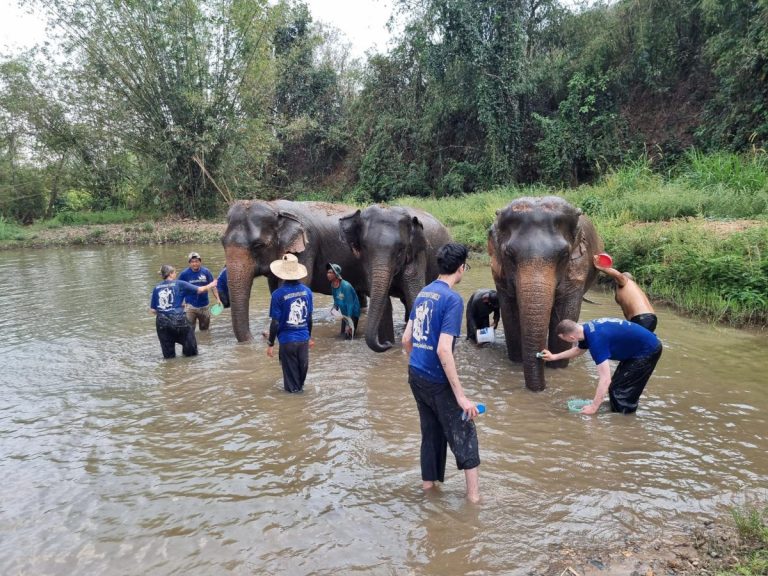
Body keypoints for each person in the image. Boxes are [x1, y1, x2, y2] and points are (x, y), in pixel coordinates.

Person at [401, 243, 481, 503]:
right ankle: (474, 499)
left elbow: (406, 339)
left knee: (431, 432)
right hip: (436, 379)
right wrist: (461, 397)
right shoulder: (452, 299)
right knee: (465, 431)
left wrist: (419, 362)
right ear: (461, 268)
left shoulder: (423, 292)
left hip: (416, 374)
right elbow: (444, 350)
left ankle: (428, 490)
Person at [540, 318, 663, 415]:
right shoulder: (587, 329)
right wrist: (554, 357)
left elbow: (605, 379)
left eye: (565, 339)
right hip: (638, 348)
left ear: (572, 338)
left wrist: (593, 407)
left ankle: (624, 421)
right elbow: (578, 350)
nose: (566, 342)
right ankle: (620, 410)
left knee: (620, 392)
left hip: (648, 351)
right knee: (617, 387)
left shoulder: (596, 342)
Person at [266, 254, 315, 393]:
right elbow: (309, 318)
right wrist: (309, 337)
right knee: (300, 379)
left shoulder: (277, 294)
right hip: (303, 340)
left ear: (281, 274)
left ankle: (295, 404)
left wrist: (270, 344)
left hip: (287, 341)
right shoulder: (307, 292)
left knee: (291, 384)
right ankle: (303, 402)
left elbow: (275, 322)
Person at [150, 264, 218, 359]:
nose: (176, 274)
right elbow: (200, 290)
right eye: (174, 272)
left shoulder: (156, 288)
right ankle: (190, 366)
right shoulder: (180, 284)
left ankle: (171, 367)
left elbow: (153, 310)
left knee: (169, 357)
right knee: (191, 353)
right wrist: (212, 284)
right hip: (178, 320)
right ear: (170, 274)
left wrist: (167, 312)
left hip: (162, 323)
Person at [593, 255, 657, 332]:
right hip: (649, 319)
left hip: (642, 319)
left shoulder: (625, 282)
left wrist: (601, 267)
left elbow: (619, 276)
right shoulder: (632, 290)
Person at [178, 251, 221, 331]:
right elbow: (179, 289)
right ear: (189, 263)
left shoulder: (206, 272)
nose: (195, 264)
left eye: (197, 261)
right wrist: (180, 302)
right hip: (190, 306)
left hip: (204, 306)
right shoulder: (184, 274)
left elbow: (213, 287)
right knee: (189, 330)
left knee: (205, 330)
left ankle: (203, 339)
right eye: (192, 262)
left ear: (200, 262)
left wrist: (218, 299)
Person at [326, 262, 361, 339]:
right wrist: (334, 308)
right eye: (328, 272)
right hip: (344, 312)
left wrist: (349, 324)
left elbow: (350, 305)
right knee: (342, 334)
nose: (328, 274)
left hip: (352, 313)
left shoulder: (346, 286)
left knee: (349, 336)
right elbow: (336, 300)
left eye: (331, 273)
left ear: (336, 274)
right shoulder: (333, 285)